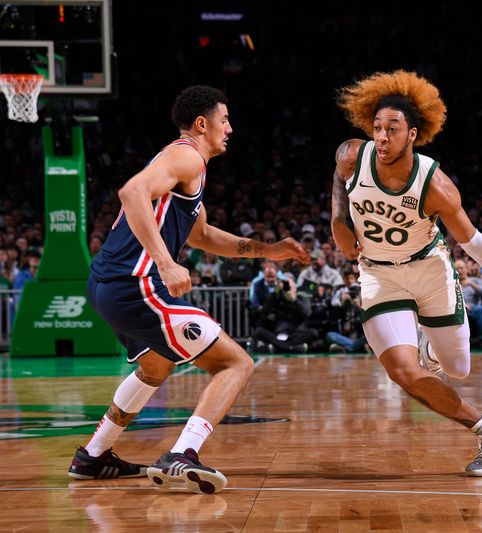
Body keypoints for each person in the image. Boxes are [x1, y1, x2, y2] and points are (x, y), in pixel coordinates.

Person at [68, 86, 310, 493]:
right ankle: (183, 453)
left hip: (107, 285)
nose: (230, 128)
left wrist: (270, 250)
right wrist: (164, 261)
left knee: (155, 366)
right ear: (203, 124)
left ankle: (93, 455)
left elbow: (204, 237)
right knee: (236, 363)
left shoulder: (190, 167)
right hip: (135, 284)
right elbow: (131, 193)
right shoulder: (186, 155)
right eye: (225, 120)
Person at [330, 70, 482, 476]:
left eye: (393, 129)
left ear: (413, 135)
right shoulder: (351, 154)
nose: (381, 137)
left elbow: (471, 240)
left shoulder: (435, 184)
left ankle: (431, 347)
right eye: (377, 128)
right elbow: (340, 186)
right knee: (402, 371)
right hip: (379, 276)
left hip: (429, 269)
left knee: (458, 369)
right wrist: (338, 222)